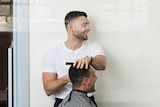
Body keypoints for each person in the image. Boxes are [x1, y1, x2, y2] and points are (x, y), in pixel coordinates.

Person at [42, 11, 106, 107]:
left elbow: (102, 64)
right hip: (62, 102)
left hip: (87, 101)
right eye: (84, 25)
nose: (89, 28)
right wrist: (69, 77)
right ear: (71, 27)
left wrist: (90, 60)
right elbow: (48, 89)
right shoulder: (53, 53)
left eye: (88, 25)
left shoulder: (94, 47)